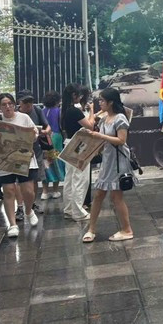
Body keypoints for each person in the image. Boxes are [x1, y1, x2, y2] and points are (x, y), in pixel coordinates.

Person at [82, 88, 134, 242]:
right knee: (99, 195)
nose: (100, 103)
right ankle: (91, 229)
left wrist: (100, 135)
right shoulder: (105, 118)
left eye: (102, 100)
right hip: (108, 160)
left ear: (111, 102)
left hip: (118, 162)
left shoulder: (120, 119)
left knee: (116, 197)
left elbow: (122, 140)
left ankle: (127, 229)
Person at [0, 93, 40, 238]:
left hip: (24, 158)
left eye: (10, 103)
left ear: (14, 104)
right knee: (9, 190)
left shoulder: (24, 118)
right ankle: (12, 224)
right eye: (4, 104)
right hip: (4, 160)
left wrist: (33, 134)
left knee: (28, 191)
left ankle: (29, 210)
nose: (7, 107)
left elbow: (34, 134)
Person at [61, 83, 96, 221]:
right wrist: (92, 111)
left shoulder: (64, 110)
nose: (80, 97)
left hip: (69, 143)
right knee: (81, 179)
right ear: (74, 95)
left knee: (70, 178)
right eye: (79, 95)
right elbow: (90, 126)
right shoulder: (74, 111)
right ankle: (78, 212)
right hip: (79, 145)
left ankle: (69, 209)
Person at [17, 90, 50, 215]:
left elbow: (47, 126)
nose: (29, 105)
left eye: (30, 102)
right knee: (20, 180)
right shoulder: (15, 114)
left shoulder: (37, 110)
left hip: (35, 149)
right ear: (19, 103)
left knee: (35, 178)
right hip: (19, 150)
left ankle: (32, 203)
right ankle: (20, 206)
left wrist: (45, 131)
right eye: (26, 102)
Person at [42, 90, 64, 199]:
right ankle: (55, 191)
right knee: (56, 162)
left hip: (44, 139)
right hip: (56, 138)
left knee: (46, 163)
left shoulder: (41, 111)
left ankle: (45, 192)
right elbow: (61, 126)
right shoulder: (59, 111)